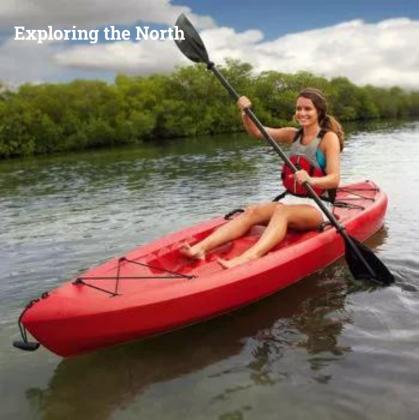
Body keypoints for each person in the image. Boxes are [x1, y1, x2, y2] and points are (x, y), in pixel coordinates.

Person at [181, 88, 344, 269]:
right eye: (299, 108)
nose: (302, 113)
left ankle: (249, 257)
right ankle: (200, 248)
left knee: (282, 212)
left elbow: (334, 179)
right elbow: (258, 132)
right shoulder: (293, 134)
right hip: (292, 200)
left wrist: (311, 180)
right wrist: (245, 113)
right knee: (252, 211)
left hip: (318, 205)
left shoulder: (329, 138)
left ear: (319, 111)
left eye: (308, 109)